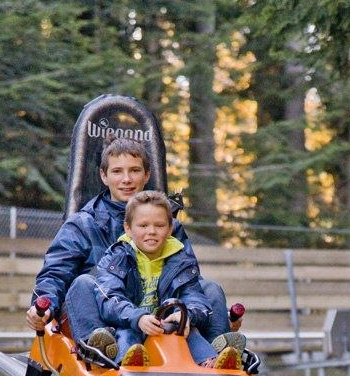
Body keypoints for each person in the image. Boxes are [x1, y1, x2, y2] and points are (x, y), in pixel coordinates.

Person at [26, 137, 243, 350]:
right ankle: (100, 349)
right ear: (104, 175)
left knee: (211, 289)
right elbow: (55, 274)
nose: (127, 179)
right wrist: (44, 305)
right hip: (106, 310)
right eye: (118, 171)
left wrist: (214, 314)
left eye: (135, 170)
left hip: (158, 312)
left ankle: (219, 355)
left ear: (146, 174)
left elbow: (187, 280)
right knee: (83, 282)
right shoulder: (82, 224)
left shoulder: (171, 227)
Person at [65, 190, 240, 368]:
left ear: (170, 228)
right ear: (128, 228)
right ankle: (126, 360)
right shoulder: (115, 258)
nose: (151, 232)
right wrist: (137, 317)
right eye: (143, 226)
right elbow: (110, 297)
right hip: (130, 323)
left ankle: (212, 361)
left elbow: (193, 294)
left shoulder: (181, 258)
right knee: (126, 334)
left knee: (191, 330)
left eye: (159, 225)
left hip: (166, 325)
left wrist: (187, 315)